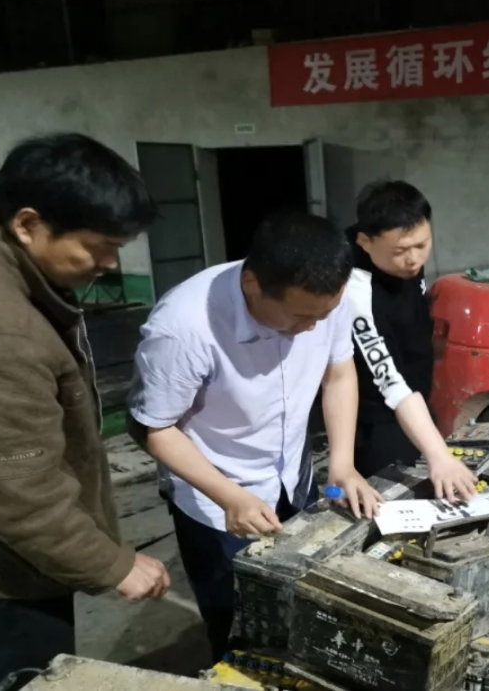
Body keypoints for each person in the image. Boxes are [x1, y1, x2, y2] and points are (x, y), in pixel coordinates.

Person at [127, 211, 360, 662]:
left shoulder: (324, 297)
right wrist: (229, 496)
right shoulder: (183, 328)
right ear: (252, 285)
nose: (313, 327)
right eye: (300, 317)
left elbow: (339, 373)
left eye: (325, 315)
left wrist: (343, 463)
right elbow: (155, 427)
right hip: (217, 499)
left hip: (293, 479)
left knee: (307, 605)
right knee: (238, 627)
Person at [0, 133, 170, 691]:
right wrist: (110, 563)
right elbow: (19, 488)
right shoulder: (5, 332)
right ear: (28, 223)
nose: (110, 264)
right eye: (99, 246)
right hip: (1, 580)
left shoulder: (13, 269)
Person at [345, 180, 476, 504]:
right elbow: (389, 380)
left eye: (422, 244)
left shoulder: (404, 263)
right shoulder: (356, 290)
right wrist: (438, 455)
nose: (414, 260)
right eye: (400, 251)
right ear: (365, 242)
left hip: (416, 401)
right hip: (379, 417)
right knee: (394, 504)